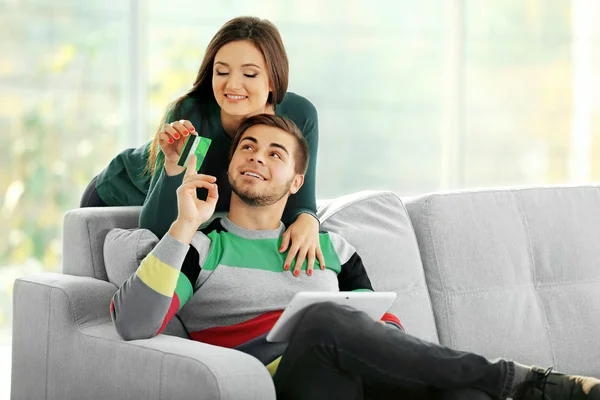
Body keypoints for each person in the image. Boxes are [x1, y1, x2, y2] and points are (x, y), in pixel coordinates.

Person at [109, 114, 600, 400]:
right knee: (323, 320)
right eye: (248, 147)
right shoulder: (199, 245)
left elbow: (384, 326)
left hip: (357, 378)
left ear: (296, 183)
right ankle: (521, 381)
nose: (257, 156)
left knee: (464, 396)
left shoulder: (330, 246)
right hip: (285, 382)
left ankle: (505, 386)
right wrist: (183, 224)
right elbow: (133, 324)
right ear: (232, 162)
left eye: (276, 153)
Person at [81, 16, 322, 273]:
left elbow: (299, 199)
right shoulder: (194, 117)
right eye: (222, 72)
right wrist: (174, 168)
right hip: (120, 193)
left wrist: (309, 220)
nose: (232, 85)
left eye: (249, 74)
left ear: (273, 80)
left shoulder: (299, 116)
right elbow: (159, 228)